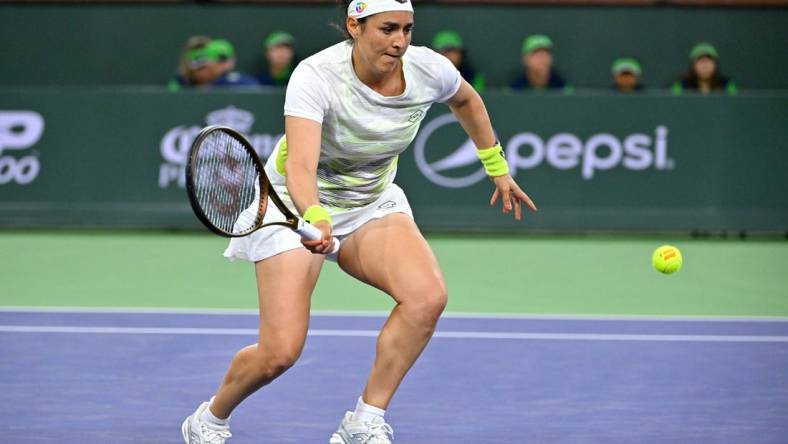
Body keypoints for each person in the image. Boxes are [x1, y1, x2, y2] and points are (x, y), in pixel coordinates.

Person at [181, 0, 537, 443]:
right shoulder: (315, 75)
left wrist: (495, 164)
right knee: (280, 353)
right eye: (387, 29)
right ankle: (209, 419)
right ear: (355, 26)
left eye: (407, 29)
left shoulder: (428, 69)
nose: (400, 41)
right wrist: (314, 215)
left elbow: (466, 99)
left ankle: (363, 421)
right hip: (293, 204)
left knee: (426, 298)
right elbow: (302, 163)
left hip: (371, 202)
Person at [169, 37, 257, 91]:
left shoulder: (231, 82)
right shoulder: (181, 83)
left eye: (205, 67)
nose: (203, 71)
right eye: (200, 68)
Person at [672, 42, 737, 95]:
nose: (705, 65)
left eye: (709, 61)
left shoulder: (727, 85)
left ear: (716, 65)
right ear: (692, 66)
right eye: (701, 61)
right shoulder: (681, 85)